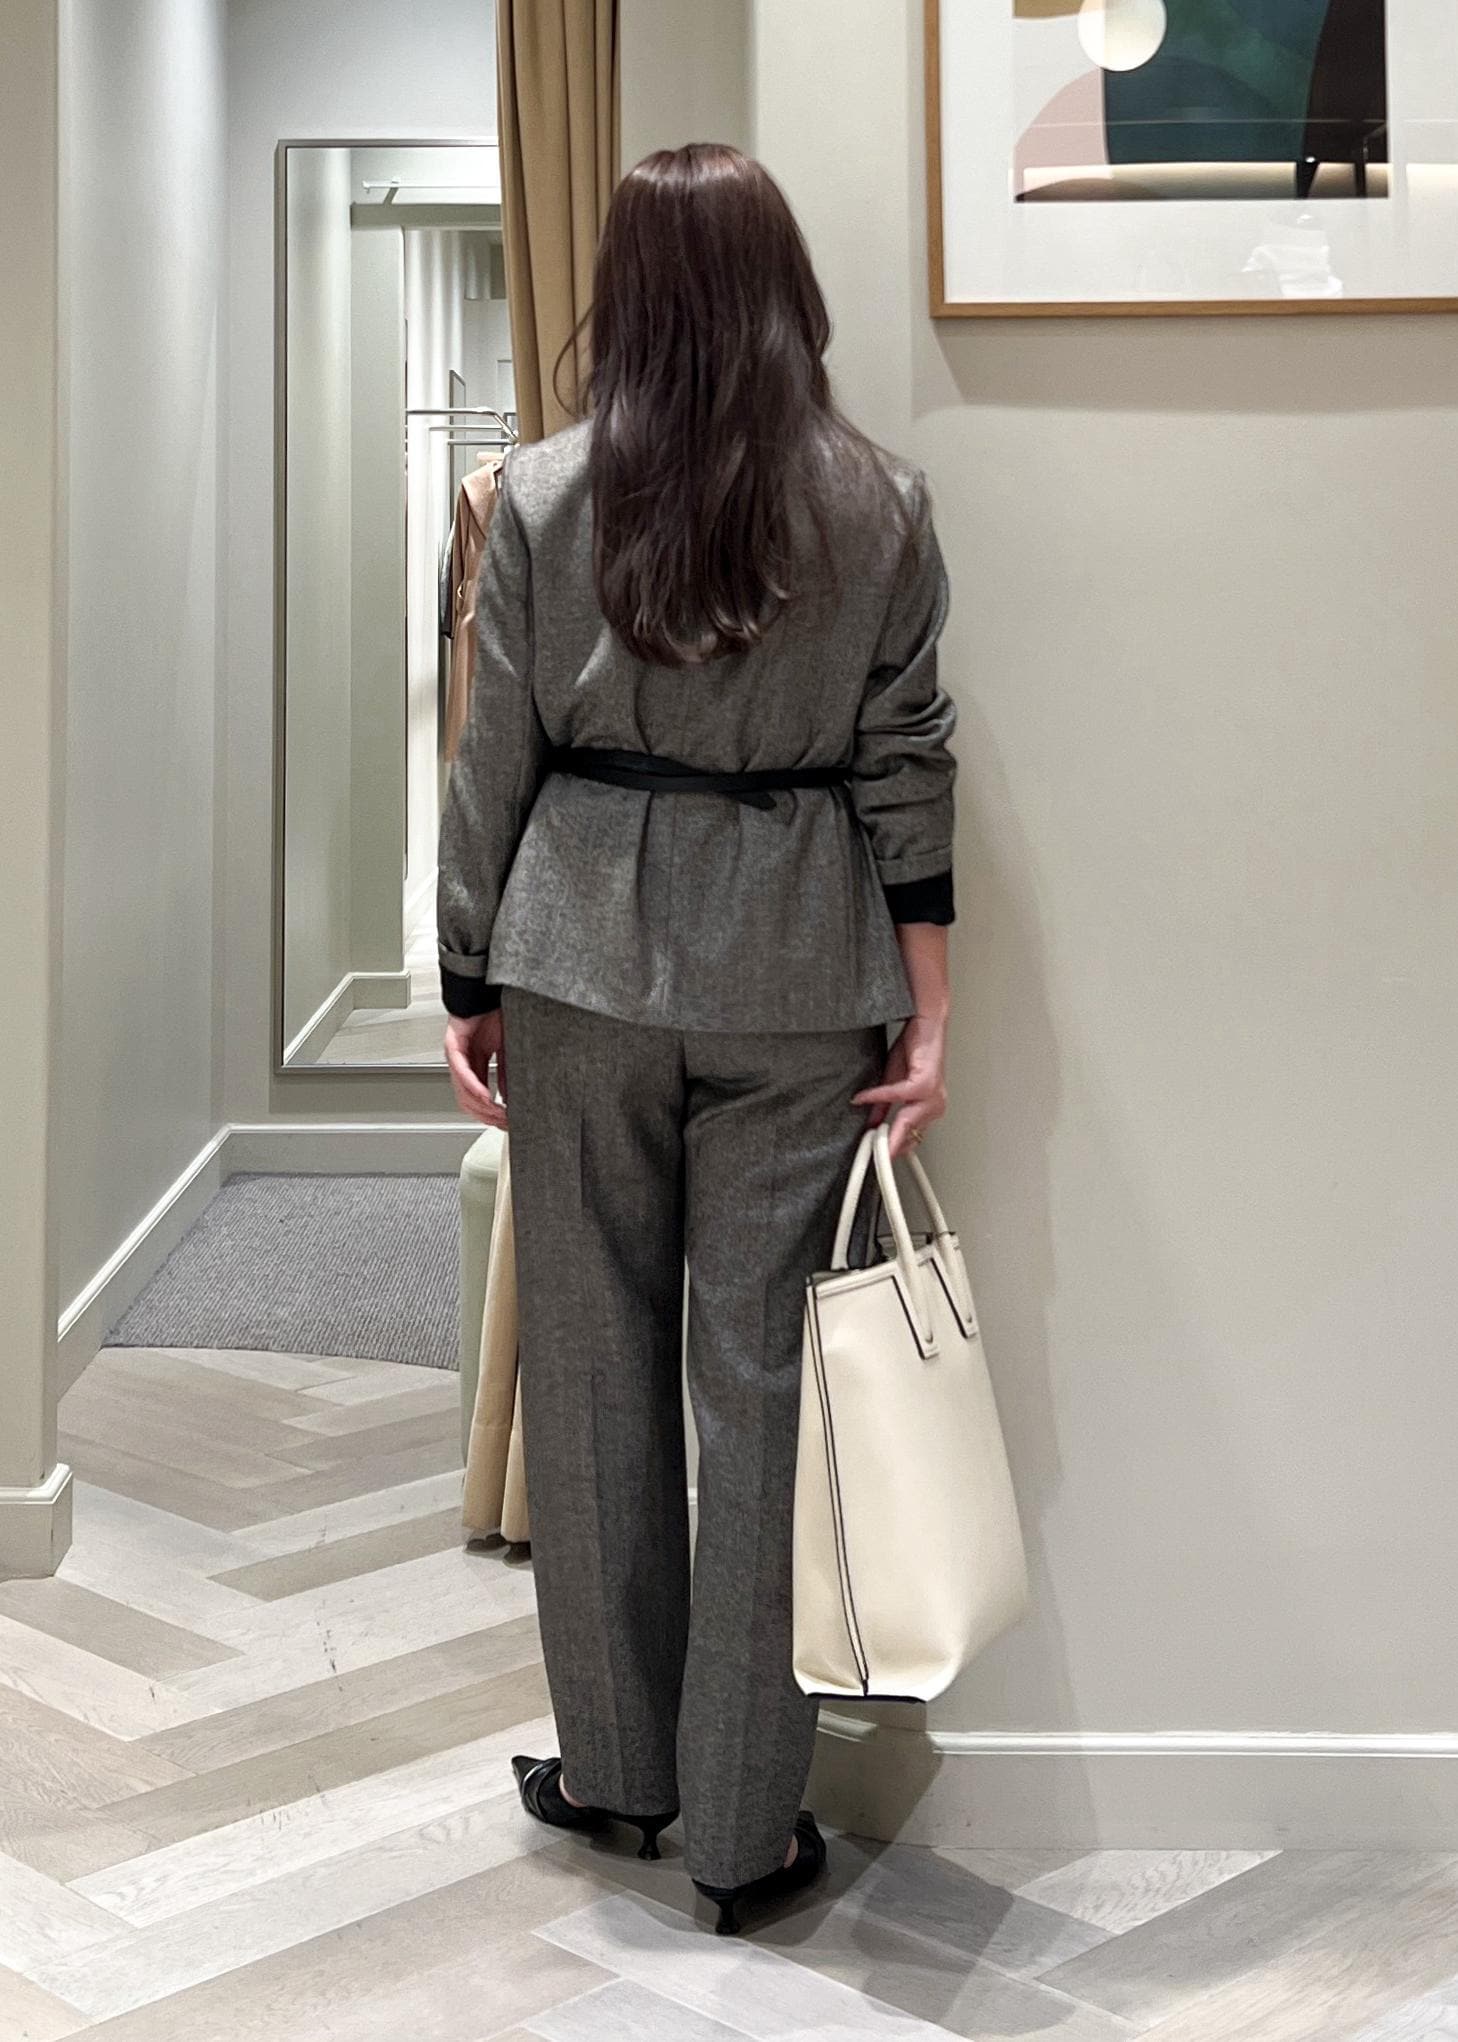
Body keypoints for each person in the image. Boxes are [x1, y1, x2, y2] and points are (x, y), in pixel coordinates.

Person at [437, 142, 956, 1937]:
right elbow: (907, 765)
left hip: (577, 962)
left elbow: (491, 755)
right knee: (762, 1399)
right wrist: (931, 1005)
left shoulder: (545, 494)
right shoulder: (880, 504)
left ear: (627, 294)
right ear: (783, 286)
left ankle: (617, 1774)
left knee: (588, 1377)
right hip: (800, 979)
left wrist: (464, 973)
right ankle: (744, 1829)